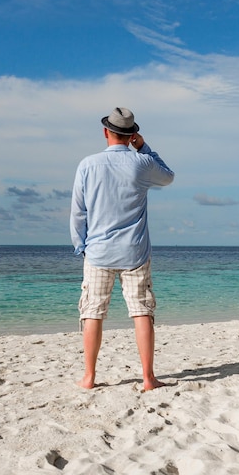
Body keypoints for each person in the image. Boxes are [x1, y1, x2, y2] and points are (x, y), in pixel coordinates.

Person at [70, 107, 174, 391]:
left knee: (92, 312)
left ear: (106, 132)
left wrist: (81, 246)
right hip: (135, 252)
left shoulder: (87, 164)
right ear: (131, 136)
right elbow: (168, 176)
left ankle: (89, 377)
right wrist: (146, 148)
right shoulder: (141, 163)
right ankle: (148, 378)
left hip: (98, 252)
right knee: (142, 311)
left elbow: (79, 213)